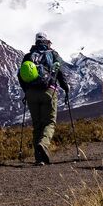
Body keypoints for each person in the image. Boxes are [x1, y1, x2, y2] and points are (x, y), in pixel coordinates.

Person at [17, 32, 70, 165]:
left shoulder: (28, 56)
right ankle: (44, 144)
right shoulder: (53, 54)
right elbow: (60, 74)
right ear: (47, 41)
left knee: (37, 125)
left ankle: (38, 158)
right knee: (49, 122)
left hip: (31, 94)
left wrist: (26, 91)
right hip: (49, 91)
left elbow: (20, 75)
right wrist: (66, 88)